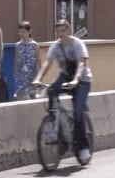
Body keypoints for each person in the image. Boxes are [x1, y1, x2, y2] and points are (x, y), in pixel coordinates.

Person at [33, 19, 93, 163]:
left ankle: (83, 146)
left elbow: (81, 63)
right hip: (65, 76)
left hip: (82, 80)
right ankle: (55, 120)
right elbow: (47, 63)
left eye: (63, 30)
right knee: (52, 91)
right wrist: (38, 79)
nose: (61, 34)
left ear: (69, 30)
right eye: (58, 31)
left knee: (78, 114)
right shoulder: (56, 47)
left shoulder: (77, 44)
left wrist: (76, 80)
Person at [12, 21, 41, 100]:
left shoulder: (34, 45)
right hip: (21, 73)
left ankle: (34, 108)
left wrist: (40, 73)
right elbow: (16, 59)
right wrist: (15, 71)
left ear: (29, 31)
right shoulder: (18, 45)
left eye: (24, 32)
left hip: (32, 73)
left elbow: (38, 60)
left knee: (33, 93)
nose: (21, 34)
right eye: (20, 32)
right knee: (21, 92)